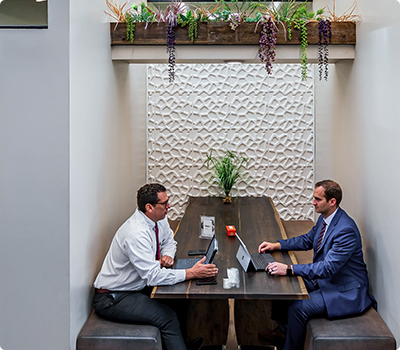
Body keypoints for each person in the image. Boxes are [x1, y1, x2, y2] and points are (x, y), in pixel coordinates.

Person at [93, 183, 218, 350]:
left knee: (180, 301)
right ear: (149, 207)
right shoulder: (136, 234)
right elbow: (152, 276)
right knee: (167, 317)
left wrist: (167, 255)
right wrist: (190, 273)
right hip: (115, 297)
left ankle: (182, 345)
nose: (169, 206)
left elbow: (169, 241)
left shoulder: (159, 219)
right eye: (164, 204)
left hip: (136, 286)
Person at [258, 180, 375, 350]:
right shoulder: (325, 218)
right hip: (326, 281)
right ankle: (283, 332)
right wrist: (277, 245)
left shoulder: (345, 230)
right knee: (282, 285)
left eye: (317, 199)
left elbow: (328, 268)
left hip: (344, 290)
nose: (313, 202)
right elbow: (307, 240)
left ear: (332, 202)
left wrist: (289, 269)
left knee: (299, 307)